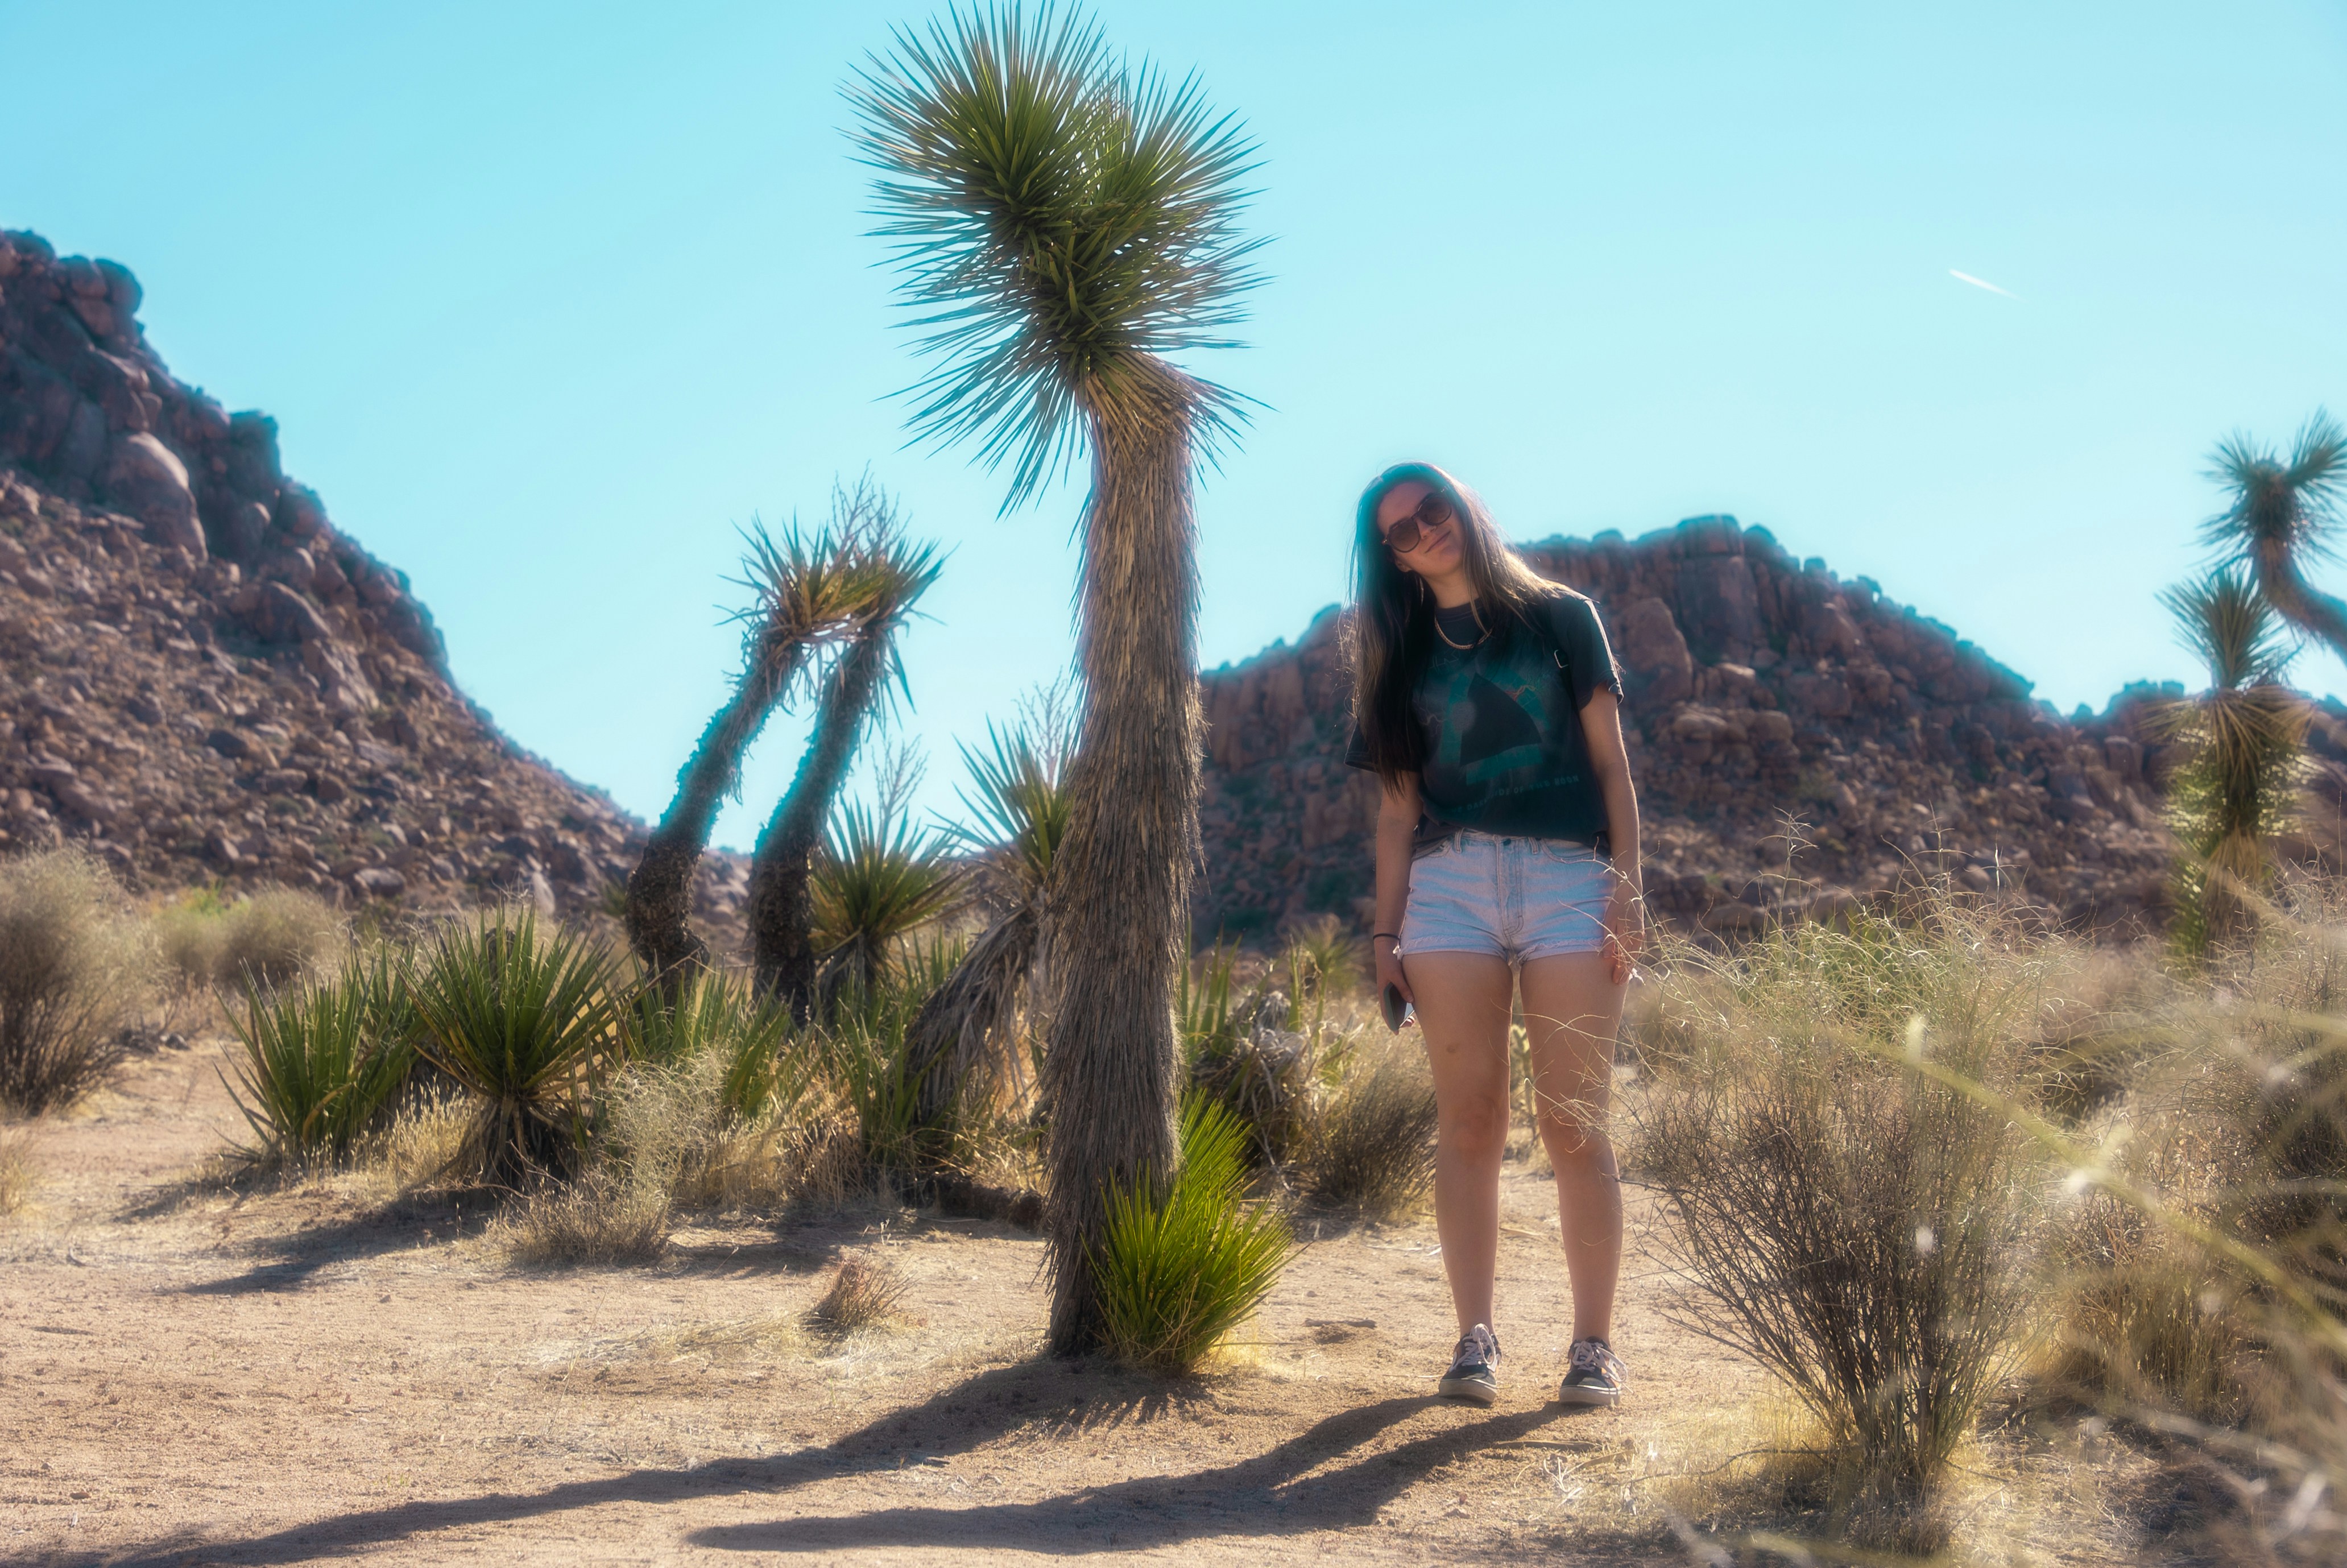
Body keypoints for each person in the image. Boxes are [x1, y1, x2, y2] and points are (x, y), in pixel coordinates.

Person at [1343, 461, 1644, 1409]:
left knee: (1574, 1123)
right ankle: (1474, 1340)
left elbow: (1612, 769)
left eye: (1434, 509)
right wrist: (1385, 934)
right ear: (1388, 557)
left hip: (1567, 878)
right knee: (1470, 1120)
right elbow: (1395, 816)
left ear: (1464, 505)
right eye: (1401, 531)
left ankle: (1592, 1346)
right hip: (1449, 889)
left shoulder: (1562, 616)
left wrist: (1627, 888)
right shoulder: (1396, 656)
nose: (1425, 531)